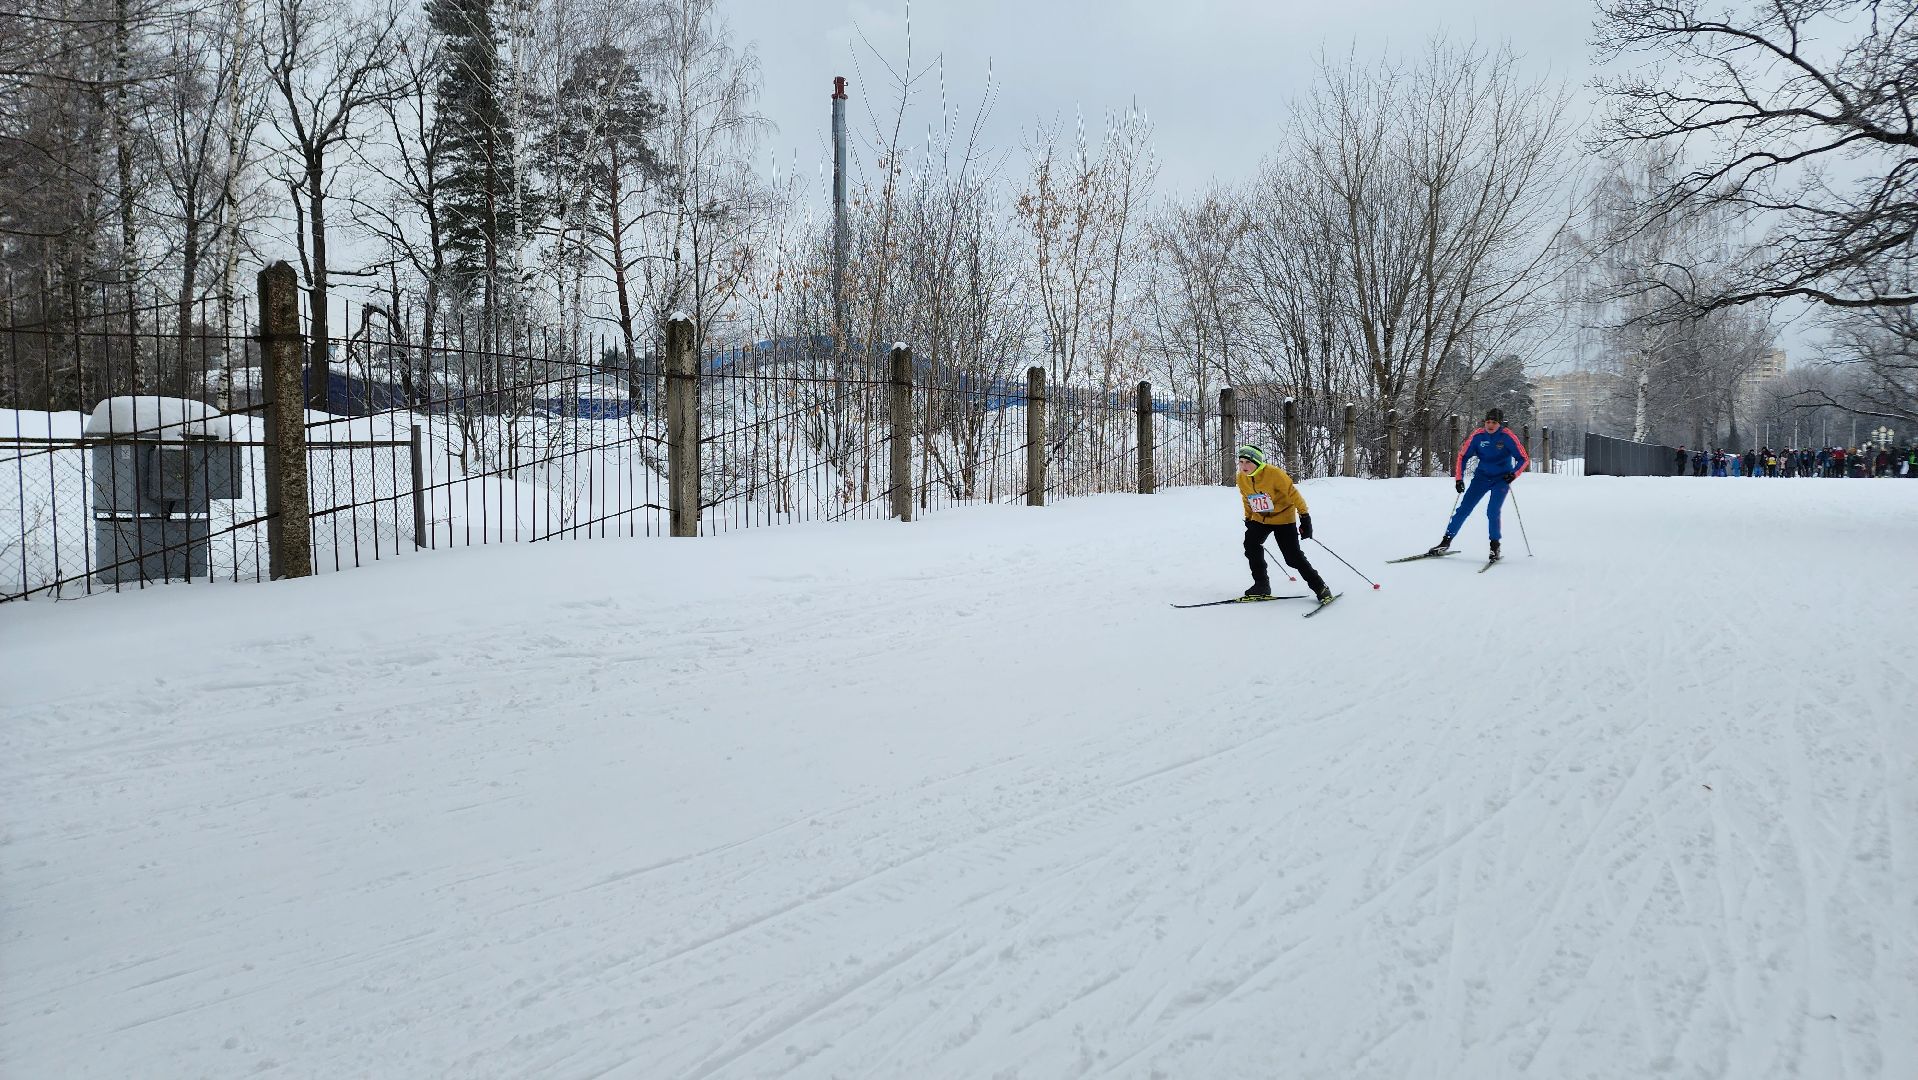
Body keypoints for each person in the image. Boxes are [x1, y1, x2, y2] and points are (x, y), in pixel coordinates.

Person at [1234, 444, 1333, 605]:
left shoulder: (1274, 474)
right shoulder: (1241, 477)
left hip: (1283, 518)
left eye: (1248, 462)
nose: (1243, 466)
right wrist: (1249, 518)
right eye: (1241, 461)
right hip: (1260, 518)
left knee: (1292, 558)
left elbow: (1293, 494)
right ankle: (1261, 585)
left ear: (1258, 463)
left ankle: (1320, 587)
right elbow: (1246, 497)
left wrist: (1305, 517)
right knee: (1251, 545)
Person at [1426, 408, 1528, 560]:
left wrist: (1513, 474)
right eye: (1487, 422)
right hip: (1481, 478)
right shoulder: (1478, 436)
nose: (1490, 425)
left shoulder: (1507, 437)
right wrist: (1459, 479)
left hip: (1501, 479)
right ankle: (1445, 542)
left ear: (1500, 424)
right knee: (1463, 509)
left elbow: (1523, 459)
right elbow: (1462, 456)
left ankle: (1495, 546)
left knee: (1492, 511)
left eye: (1494, 422)